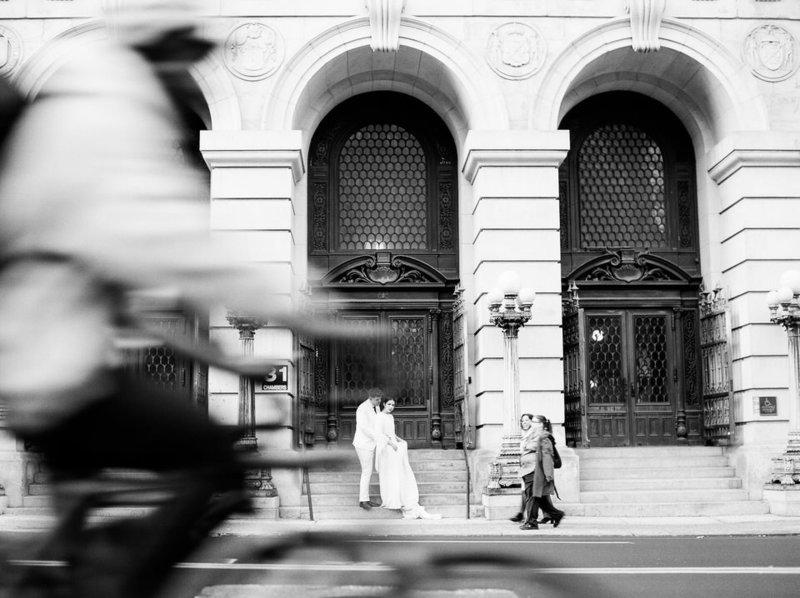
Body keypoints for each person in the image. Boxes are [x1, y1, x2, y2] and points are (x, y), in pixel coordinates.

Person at [0, 2, 360, 595]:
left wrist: (229, 360)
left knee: (88, 538)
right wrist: (304, 312)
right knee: (215, 461)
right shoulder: (108, 113)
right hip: (57, 374)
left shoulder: (90, 103)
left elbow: (136, 309)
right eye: (184, 52)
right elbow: (188, 246)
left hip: (53, 365)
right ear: (158, 47)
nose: (187, 67)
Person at [374, 397, 441, 519]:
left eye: (393, 405)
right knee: (390, 474)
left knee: (399, 473)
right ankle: (392, 499)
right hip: (387, 448)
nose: (391, 407)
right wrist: (391, 444)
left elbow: (392, 433)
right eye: (389, 404)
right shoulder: (379, 417)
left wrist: (400, 440)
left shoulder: (390, 417)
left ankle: (402, 497)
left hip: (394, 447)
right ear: (384, 404)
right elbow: (379, 434)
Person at [519, 415, 565, 530]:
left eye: (534, 422)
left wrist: (548, 474)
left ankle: (531, 522)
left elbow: (547, 456)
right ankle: (556, 514)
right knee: (539, 498)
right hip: (527, 469)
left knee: (531, 496)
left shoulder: (544, 437)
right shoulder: (532, 435)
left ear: (540, 424)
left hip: (535, 470)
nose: (531, 423)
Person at [353, 387, 384, 509]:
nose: (379, 402)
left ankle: (366, 498)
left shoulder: (376, 406)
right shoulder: (362, 409)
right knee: (367, 471)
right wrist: (378, 437)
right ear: (370, 398)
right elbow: (364, 428)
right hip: (363, 443)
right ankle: (363, 500)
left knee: (368, 471)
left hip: (372, 443)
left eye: (380, 400)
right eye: (377, 400)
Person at [510, 413, 535, 523]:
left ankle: (551, 514)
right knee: (525, 490)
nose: (524, 423)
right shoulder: (523, 434)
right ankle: (522, 513)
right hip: (525, 465)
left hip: (531, 466)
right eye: (522, 421)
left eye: (526, 420)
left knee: (530, 492)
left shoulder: (533, 434)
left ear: (531, 421)